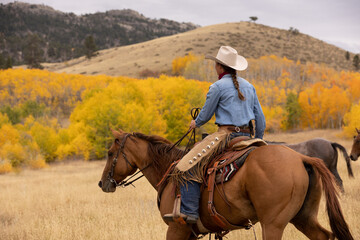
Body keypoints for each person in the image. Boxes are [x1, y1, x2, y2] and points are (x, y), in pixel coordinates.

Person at [163, 46, 266, 224]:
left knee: (186, 165)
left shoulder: (217, 87)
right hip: (249, 137)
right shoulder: (250, 87)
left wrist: (195, 123)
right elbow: (261, 119)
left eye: (216, 64)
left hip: (225, 136)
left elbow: (205, 115)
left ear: (219, 66)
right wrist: (258, 139)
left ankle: (190, 212)